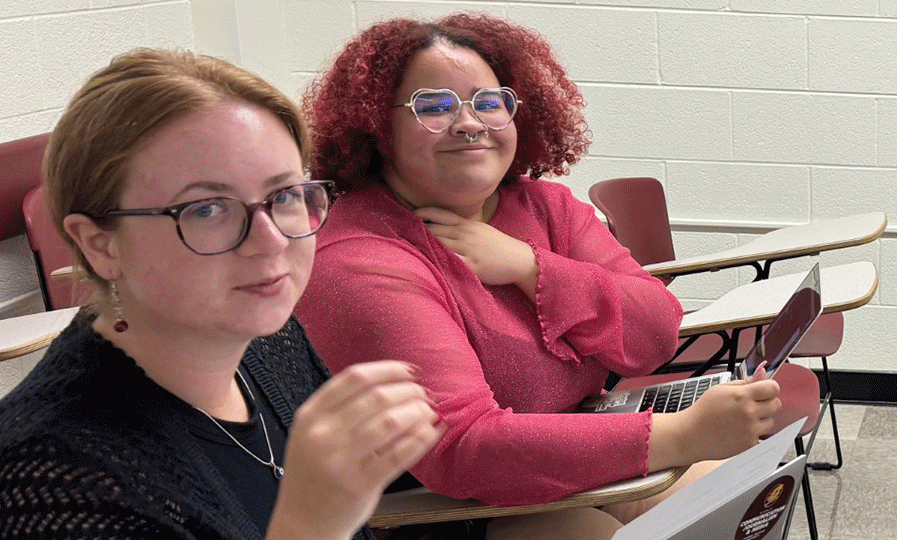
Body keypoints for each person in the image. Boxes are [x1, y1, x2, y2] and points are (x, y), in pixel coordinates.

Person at [295, 13, 781, 538]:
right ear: (375, 126)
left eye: (489, 102)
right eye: (432, 106)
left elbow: (657, 328)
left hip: (564, 465)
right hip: (443, 508)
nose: (469, 122)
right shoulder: (360, 258)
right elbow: (464, 450)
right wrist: (683, 434)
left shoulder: (545, 208)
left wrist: (530, 266)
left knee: (739, 497)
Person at [0, 49, 443, 540]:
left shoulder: (266, 335)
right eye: (206, 209)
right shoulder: (45, 482)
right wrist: (312, 526)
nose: (271, 240)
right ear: (101, 245)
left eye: (284, 196)